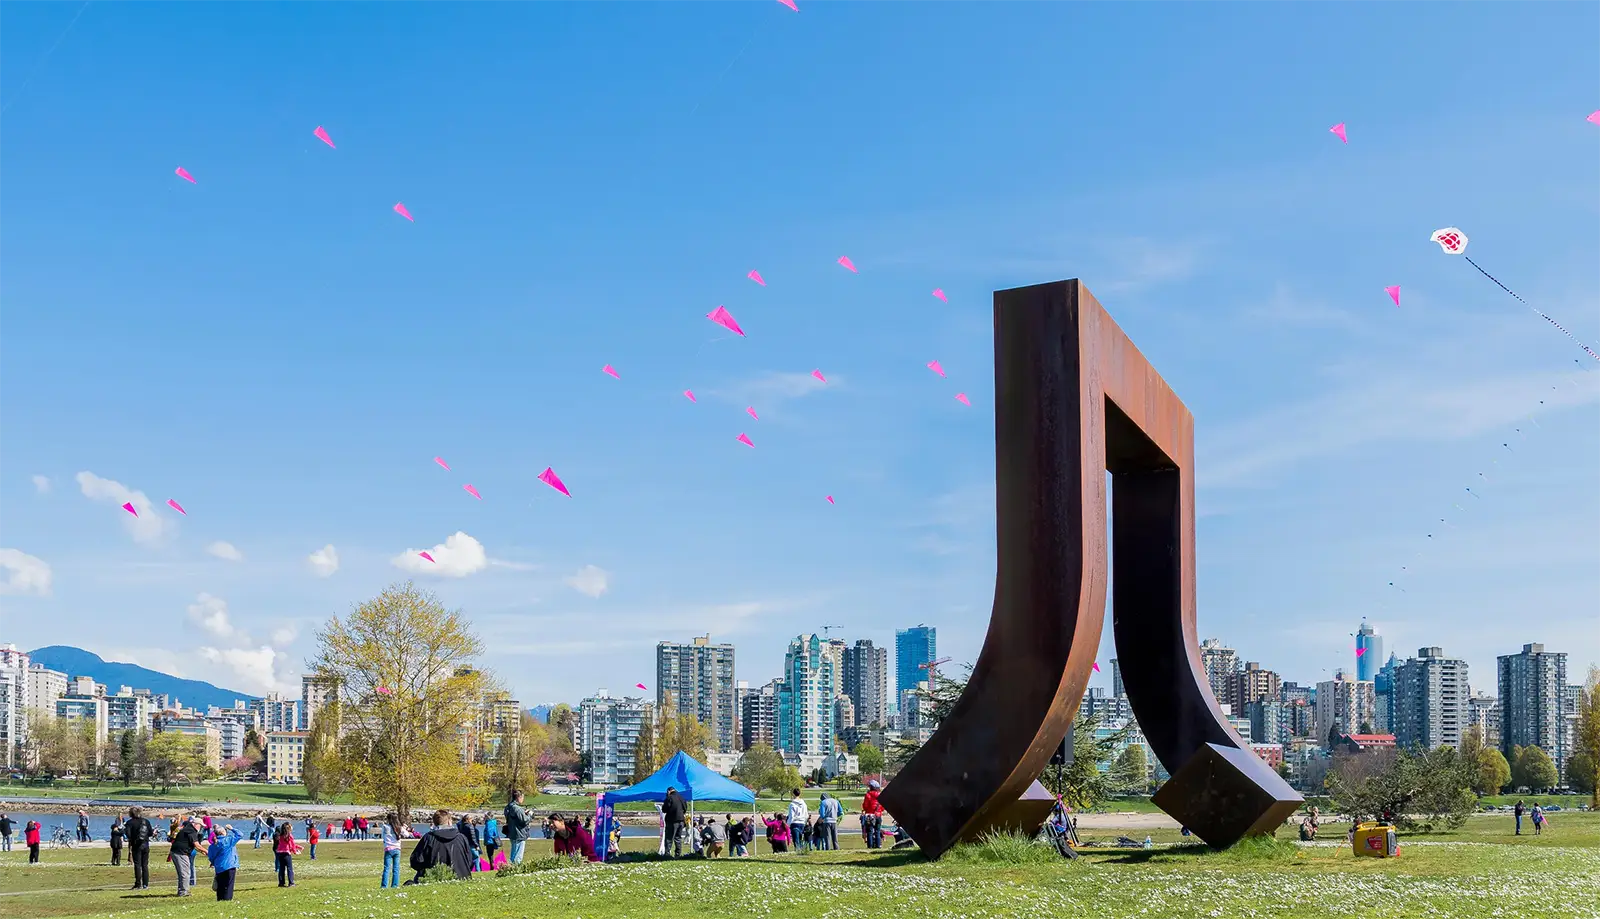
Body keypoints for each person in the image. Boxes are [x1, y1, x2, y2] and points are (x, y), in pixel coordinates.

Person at [409, 810, 472, 882]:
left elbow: (416, 860)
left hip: (434, 877)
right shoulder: (461, 838)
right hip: (461, 877)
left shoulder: (428, 838)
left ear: (434, 823)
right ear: (449, 821)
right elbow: (469, 860)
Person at [206, 825, 242, 902]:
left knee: (220, 885)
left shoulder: (212, 846)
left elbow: (210, 856)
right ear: (223, 832)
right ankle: (227, 900)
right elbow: (240, 835)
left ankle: (220, 899)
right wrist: (232, 829)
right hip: (230, 865)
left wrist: (213, 862)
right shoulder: (228, 840)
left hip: (219, 867)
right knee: (229, 885)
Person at [125, 806, 153, 890]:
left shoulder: (129, 823)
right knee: (145, 865)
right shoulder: (146, 821)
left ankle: (138, 884)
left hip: (136, 845)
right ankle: (145, 884)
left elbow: (128, 835)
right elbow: (150, 833)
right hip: (145, 845)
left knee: (137, 865)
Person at [503, 789, 531, 865]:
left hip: (511, 832)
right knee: (518, 854)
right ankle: (515, 868)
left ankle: (510, 867)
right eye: (522, 797)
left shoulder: (508, 807)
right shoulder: (517, 809)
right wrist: (529, 815)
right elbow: (524, 820)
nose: (523, 799)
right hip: (519, 833)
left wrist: (523, 813)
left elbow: (514, 818)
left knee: (513, 852)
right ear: (519, 797)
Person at [663, 785, 688, 858]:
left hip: (672, 820)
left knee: (669, 838)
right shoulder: (681, 797)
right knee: (678, 838)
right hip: (681, 821)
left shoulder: (669, 797)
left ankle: (667, 854)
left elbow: (664, 809)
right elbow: (685, 808)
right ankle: (678, 854)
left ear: (668, 791)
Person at [273, 821, 299, 887]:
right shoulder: (289, 836)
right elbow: (292, 845)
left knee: (281, 868)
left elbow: (287, 844)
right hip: (287, 854)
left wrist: (298, 847)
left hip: (280, 854)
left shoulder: (280, 836)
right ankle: (291, 883)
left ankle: (281, 883)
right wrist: (295, 851)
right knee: (289, 868)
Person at [381, 813, 403, 888]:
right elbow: (407, 834)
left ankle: (384, 886)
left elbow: (383, 837)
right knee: (396, 868)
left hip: (388, 849)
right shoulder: (399, 827)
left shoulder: (386, 827)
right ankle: (395, 885)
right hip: (397, 849)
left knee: (386, 868)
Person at [861, 780, 885, 849]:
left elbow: (865, 806)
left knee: (870, 831)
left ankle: (870, 846)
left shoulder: (868, 795)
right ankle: (878, 845)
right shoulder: (880, 795)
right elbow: (883, 807)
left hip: (870, 815)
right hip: (878, 815)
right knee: (877, 831)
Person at [788, 790, 809, 854]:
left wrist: (788, 824)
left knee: (796, 840)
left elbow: (792, 815)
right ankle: (801, 851)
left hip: (795, 822)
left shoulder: (792, 804)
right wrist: (805, 822)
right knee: (800, 838)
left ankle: (798, 851)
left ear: (793, 794)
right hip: (802, 822)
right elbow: (806, 814)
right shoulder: (804, 804)